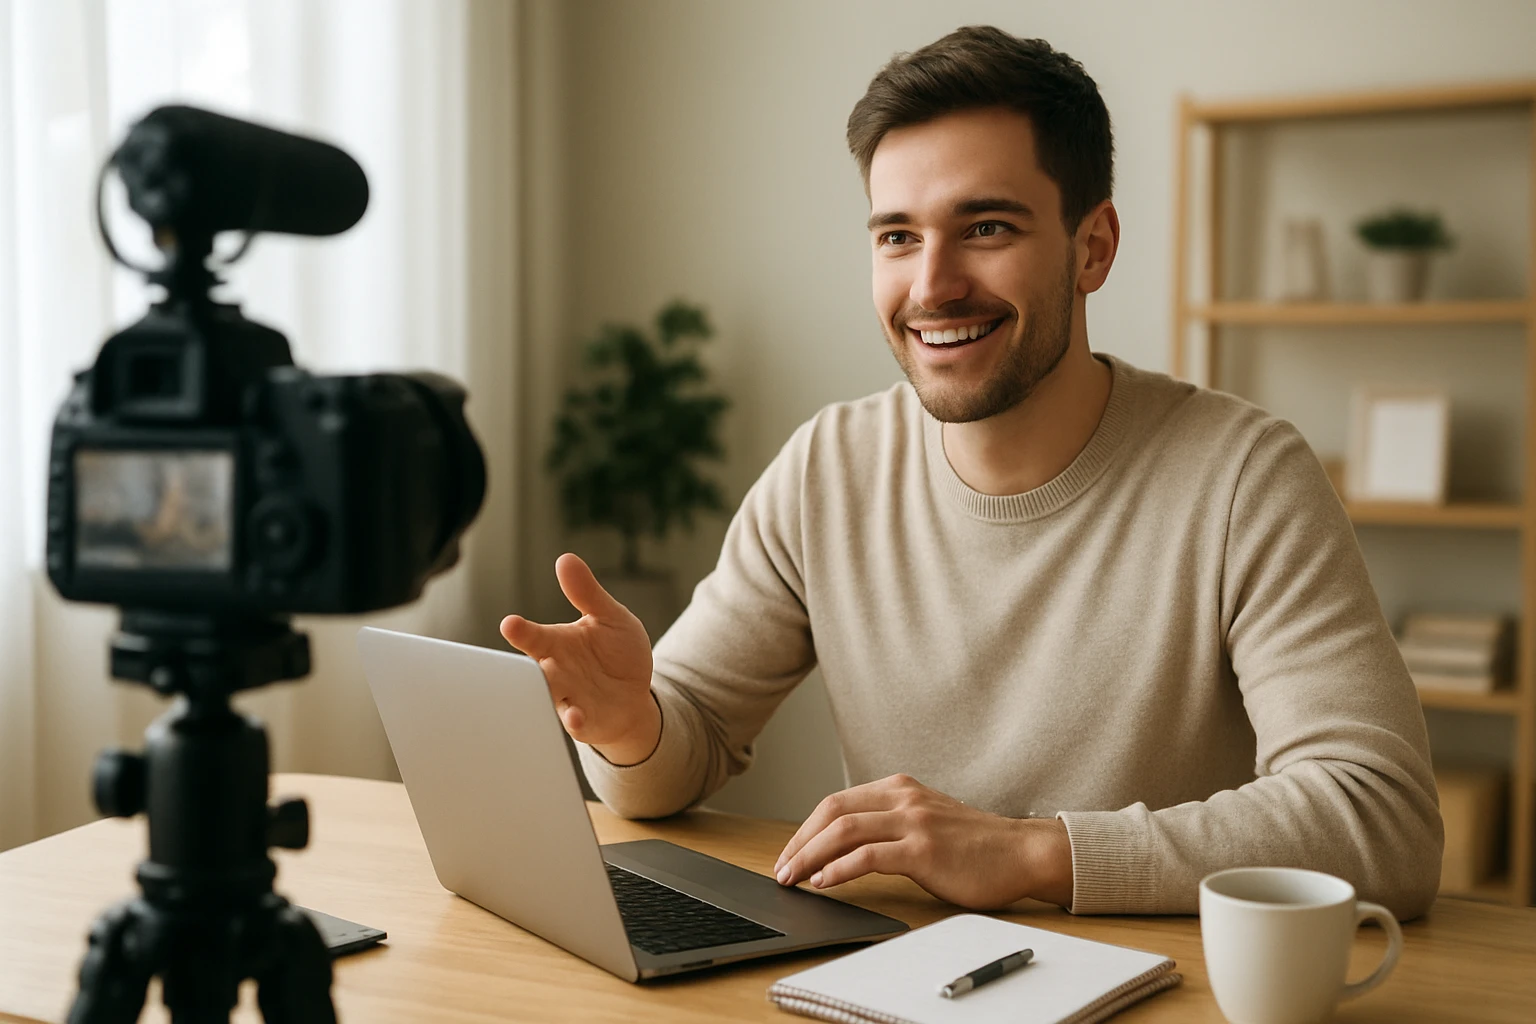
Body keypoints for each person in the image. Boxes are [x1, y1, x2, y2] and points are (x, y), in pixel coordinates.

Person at [501, 25, 1442, 917]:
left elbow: (1381, 819)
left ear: (1093, 247)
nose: (932, 285)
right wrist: (632, 725)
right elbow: (685, 741)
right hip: (900, 977)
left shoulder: (1245, 479)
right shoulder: (829, 468)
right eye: (897, 236)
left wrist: (1032, 851)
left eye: (985, 227)